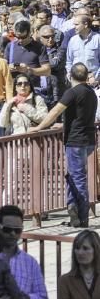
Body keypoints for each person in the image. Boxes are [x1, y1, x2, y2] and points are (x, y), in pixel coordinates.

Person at [29, 62, 97, 227]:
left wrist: (39, 127)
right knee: (72, 176)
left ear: (70, 76)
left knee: (78, 179)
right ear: (86, 76)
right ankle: (72, 210)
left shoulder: (72, 92)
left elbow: (55, 111)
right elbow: (81, 116)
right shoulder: (91, 93)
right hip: (88, 141)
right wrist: (64, 125)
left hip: (76, 142)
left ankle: (82, 218)